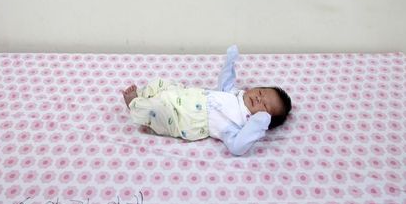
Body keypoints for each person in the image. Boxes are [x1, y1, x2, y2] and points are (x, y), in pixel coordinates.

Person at [122, 45, 292, 156]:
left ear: (263, 119)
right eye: (261, 92)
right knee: (162, 84)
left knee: (159, 110)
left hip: (186, 120)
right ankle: (144, 94)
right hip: (185, 95)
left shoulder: (237, 124)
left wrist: (257, 123)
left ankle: (135, 104)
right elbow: (225, 82)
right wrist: (230, 63)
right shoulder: (236, 94)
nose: (259, 98)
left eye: (265, 105)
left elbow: (238, 147)